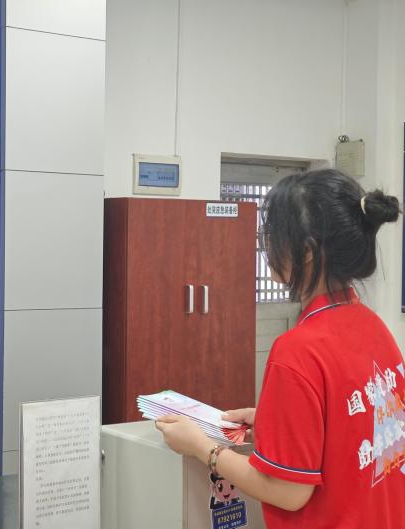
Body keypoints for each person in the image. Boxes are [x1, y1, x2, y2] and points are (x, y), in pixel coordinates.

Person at [155, 169, 405, 528]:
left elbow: (288, 491)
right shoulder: (374, 327)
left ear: (306, 252)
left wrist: (201, 447)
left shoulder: (298, 350)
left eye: (274, 234)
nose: (266, 245)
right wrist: (274, 421)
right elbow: (357, 431)